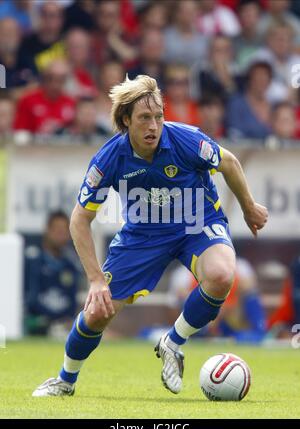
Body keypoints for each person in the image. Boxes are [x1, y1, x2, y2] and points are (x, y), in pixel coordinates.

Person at [32, 74, 268, 397]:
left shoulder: (185, 140)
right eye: (144, 118)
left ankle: (173, 342)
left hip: (196, 225)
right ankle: (64, 380)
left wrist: (249, 206)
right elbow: (79, 219)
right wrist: (96, 279)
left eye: (158, 116)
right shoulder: (109, 158)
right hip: (143, 235)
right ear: (126, 119)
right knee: (97, 312)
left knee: (222, 274)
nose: (154, 126)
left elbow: (228, 161)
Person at [24, 211, 81, 336]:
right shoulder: (33, 260)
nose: (61, 235)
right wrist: (49, 320)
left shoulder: (71, 265)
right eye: (57, 230)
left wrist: (65, 320)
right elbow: (30, 299)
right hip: (36, 324)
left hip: (63, 325)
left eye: (65, 230)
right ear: (47, 230)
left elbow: (72, 302)